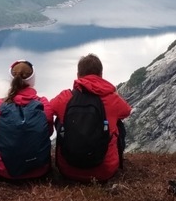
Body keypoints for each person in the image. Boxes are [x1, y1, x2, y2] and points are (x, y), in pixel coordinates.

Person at [51, 53, 132, 182]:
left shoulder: (65, 97)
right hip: (105, 171)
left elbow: (48, 109)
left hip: (68, 170)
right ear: (101, 74)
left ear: (78, 75)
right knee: (118, 123)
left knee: (59, 119)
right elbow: (127, 111)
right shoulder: (111, 98)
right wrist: (115, 94)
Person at [0, 60, 54, 181]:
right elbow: (48, 132)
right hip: (40, 171)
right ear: (32, 80)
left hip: (6, 173)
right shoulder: (43, 103)